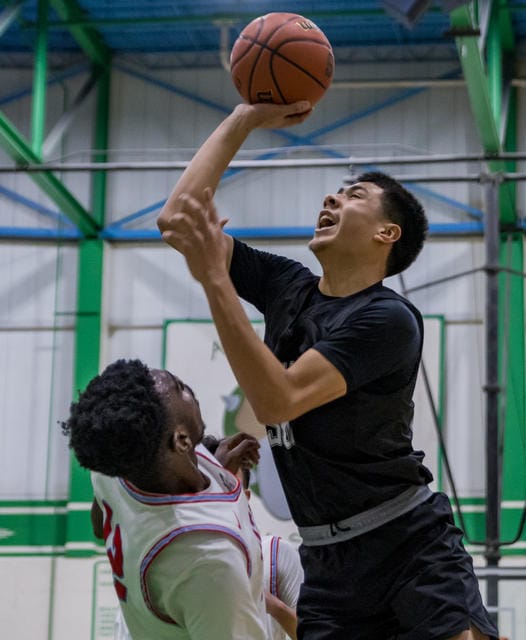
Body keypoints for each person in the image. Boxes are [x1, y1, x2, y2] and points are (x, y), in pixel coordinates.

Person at [157, 101, 500, 640]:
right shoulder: (286, 285)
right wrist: (244, 119)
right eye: (335, 192)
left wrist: (215, 283)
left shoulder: (388, 319)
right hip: (326, 561)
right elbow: (179, 220)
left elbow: (278, 401)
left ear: (387, 234)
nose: (331, 198)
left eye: (353, 195)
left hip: (408, 543)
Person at [62, 358, 267, 640]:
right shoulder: (207, 559)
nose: (189, 391)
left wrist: (217, 472)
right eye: (180, 388)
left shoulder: (117, 465)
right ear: (181, 441)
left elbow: (101, 526)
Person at [203, 435, 304, 640]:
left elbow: (313, 633)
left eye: (229, 486)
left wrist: (271, 605)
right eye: (212, 487)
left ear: (246, 498)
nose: (222, 496)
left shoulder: (276, 553)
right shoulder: (183, 564)